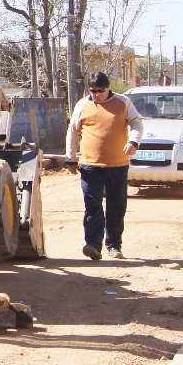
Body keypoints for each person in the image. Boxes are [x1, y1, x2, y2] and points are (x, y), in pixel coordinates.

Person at [66, 71, 144, 260]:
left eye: (100, 90)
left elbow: (137, 123)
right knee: (92, 206)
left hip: (117, 165)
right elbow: (73, 131)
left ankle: (114, 245)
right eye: (93, 91)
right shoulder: (83, 105)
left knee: (116, 206)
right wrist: (70, 159)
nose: (96, 94)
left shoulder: (123, 102)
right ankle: (93, 245)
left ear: (108, 87)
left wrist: (133, 142)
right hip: (90, 166)